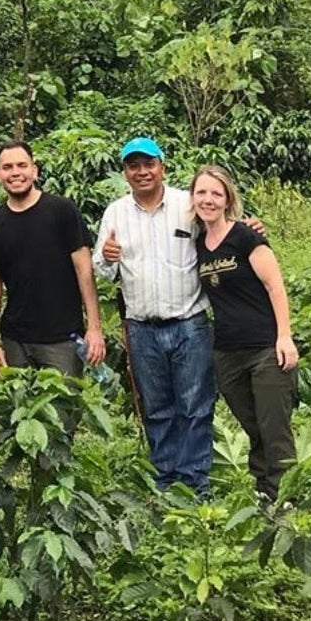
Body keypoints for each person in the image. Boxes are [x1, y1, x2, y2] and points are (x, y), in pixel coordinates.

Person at [93, 136, 215, 494]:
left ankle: (194, 483)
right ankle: (165, 480)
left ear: (162, 166)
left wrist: (250, 229)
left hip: (189, 322)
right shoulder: (115, 212)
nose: (142, 172)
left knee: (194, 406)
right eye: (134, 166)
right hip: (142, 328)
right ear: (125, 172)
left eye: (149, 164)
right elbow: (101, 269)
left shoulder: (186, 205)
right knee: (157, 407)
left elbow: (221, 234)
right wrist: (108, 257)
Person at [192, 163, 299, 502]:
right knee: (252, 424)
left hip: (264, 348)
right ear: (193, 198)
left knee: (274, 427)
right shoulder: (197, 245)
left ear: (227, 199)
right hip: (227, 352)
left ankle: (287, 498)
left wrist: (284, 337)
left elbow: (275, 286)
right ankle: (264, 491)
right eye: (201, 192)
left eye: (216, 193)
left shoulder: (246, 236)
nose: (208, 199)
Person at [0, 141, 105, 377]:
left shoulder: (63, 211)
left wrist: (94, 328)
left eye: (22, 165)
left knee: (64, 411)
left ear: (34, 170)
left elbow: (84, 270)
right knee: (19, 411)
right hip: (15, 340)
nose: (15, 173)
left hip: (62, 339)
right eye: (7, 167)